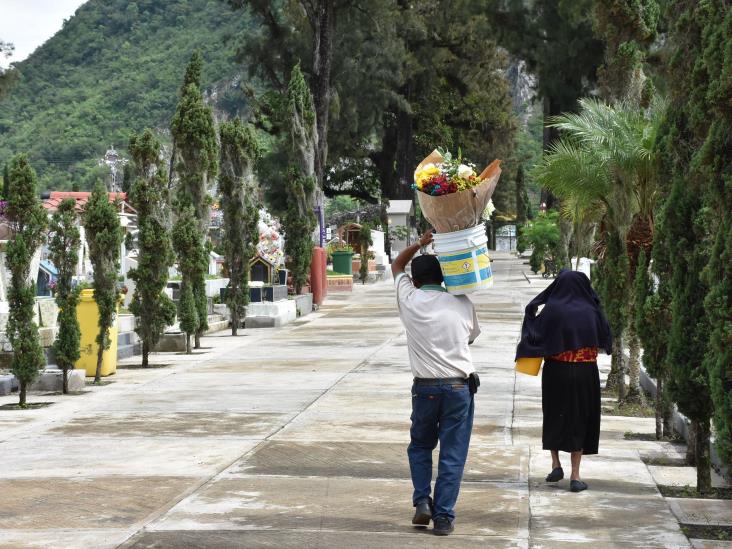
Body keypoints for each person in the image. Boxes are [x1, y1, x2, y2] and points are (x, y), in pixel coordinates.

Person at [392, 230, 481, 536]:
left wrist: (419, 243)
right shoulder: (462, 301)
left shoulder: (409, 299)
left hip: (425, 388)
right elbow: (471, 336)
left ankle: (421, 502)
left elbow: (396, 266)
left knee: (420, 446)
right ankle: (443, 517)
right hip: (459, 387)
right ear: (443, 279)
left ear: (415, 281)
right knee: (452, 453)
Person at [515, 269, 612, 492]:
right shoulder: (592, 310)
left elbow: (534, 335)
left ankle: (555, 463)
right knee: (580, 417)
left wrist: (531, 314)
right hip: (585, 372)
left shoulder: (552, 310)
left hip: (556, 371)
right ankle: (576, 476)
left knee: (554, 414)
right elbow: (605, 338)